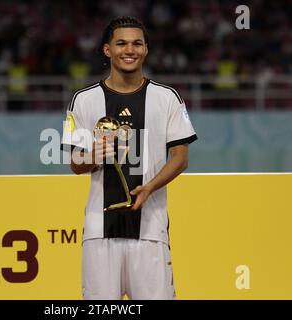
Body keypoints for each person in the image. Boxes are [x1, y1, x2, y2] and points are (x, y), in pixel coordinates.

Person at [61, 16, 197, 300]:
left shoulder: (167, 97)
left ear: (146, 49)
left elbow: (181, 157)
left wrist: (148, 188)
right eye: (121, 43)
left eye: (137, 43)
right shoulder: (83, 100)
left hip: (151, 231)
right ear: (107, 50)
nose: (129, 49)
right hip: (100, 231)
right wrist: (94, 157)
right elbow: (76, 164)